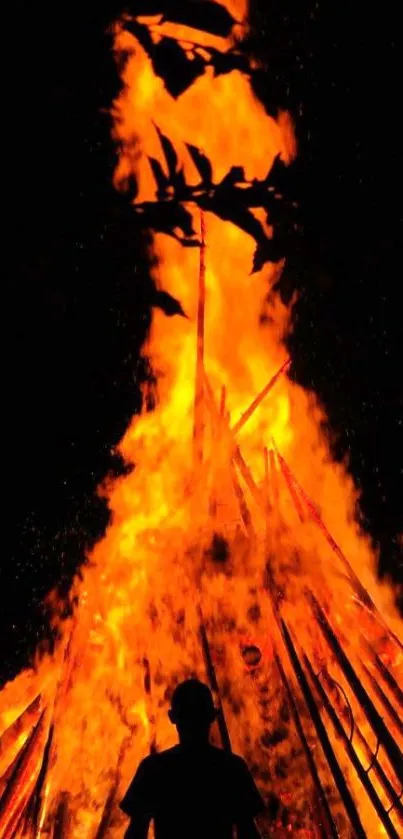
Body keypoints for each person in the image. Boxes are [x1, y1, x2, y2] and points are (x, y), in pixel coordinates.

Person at [120, 678, 265, 838]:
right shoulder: (232, 768)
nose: (192, 724)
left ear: (172, 717)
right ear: (212, 716)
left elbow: (136, 831)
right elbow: (248, 831)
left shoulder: (153, 769)